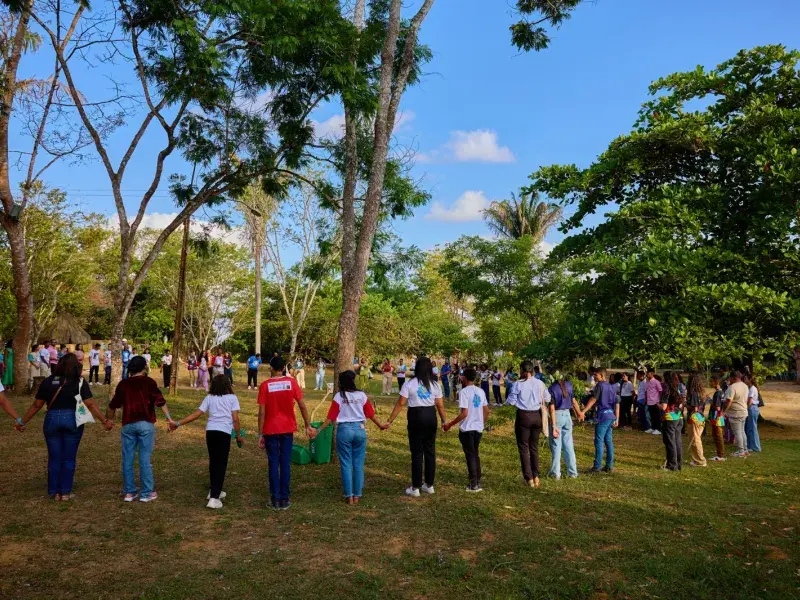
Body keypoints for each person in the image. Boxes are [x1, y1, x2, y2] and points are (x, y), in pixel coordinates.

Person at [18, 353, 113, 500]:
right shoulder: (79, 382)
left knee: (54, 457)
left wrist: (22, 422)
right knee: (69, 458)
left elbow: (37, 405)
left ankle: (54, 492)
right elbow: (91, 404)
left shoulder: (49, 381)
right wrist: (104, 421)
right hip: (72, 419)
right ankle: (65, 492)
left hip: (52, 420)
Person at [312, 370, 389, 504]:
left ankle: (349, 496)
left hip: (344, 431)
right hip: (360, 430)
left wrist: (318, 430)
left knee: (346, 464)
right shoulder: (361, 395)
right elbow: (370, 414)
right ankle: (357, 495)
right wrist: (381, 425)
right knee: (358, 464)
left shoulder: (338, 397)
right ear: (353, 381)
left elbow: (331, 418)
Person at [106, 356, 174, 502]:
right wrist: (169, 419)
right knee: (144, 459)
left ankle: (129, 492)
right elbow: (160, 402)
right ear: (144, 368)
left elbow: (113, 405)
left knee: (128, 459)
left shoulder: (123, 384)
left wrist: (109, 420)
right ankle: (147, 492)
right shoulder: (149, 382)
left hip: (128, 425)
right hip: (145, 424)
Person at [170, 374, 244, 509]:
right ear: (228, 385)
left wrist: (178, 423)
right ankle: (214, 498)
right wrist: (238, 435)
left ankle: (214, 490)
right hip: (223, 433)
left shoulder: (210, 398)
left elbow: (196, 414)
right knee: (221, 463)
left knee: (214, 461)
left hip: (211, 432)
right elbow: (236, 419)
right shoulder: (232, 398)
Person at [387, 356, 447, 497]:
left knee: (417, 452)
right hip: (431, 417)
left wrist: (390, 420)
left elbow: (401, 403)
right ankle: (429, 485)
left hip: (416, 417)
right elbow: (440, 406)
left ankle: (415, 487)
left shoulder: (410, 384)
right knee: (430, 451)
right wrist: (444, 422)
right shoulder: (435, 385)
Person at [257, 357, 312, 509]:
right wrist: (308, 424)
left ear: (271, 368)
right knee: (285, 463)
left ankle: (275, 499)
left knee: (274, 463)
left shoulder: (265, 385)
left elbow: (261, 412)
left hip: (270, 429)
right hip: (287, 428)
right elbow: (301, 405)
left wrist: (260, 434)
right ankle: (285, 499)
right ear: (283, 368)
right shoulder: (292, 382)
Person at [441, 367, 489, 492]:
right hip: (478, 429)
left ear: (464, 378)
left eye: (462, 376)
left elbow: (464, 413)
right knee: (475, 454)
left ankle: (474, 484)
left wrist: (450, 424)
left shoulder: (464, 392)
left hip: (467, 429)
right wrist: (480, 423)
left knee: (470, 455)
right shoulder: (480, 391)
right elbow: (487, 411)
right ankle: (477, 480)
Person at [507, 360, 551, 487]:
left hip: (524, 416)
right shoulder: (540, 383)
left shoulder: (518, 384)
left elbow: (511, 401)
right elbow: (547, 398)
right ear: (532, 370)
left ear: (521, 370)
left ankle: (529, 478)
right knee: (534, 447)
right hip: (537, 416)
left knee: (523, 448)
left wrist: (518, 403)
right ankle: (536, 476)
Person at [580, 368, 619, 474]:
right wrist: (616, 418)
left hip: (603, 417)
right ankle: (609, 466)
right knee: (608, 442)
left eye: (596, 375)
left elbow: (593, 399)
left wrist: (583, 411)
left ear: (602, 375)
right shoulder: (611, 387)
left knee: (599, 442)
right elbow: (616, 403)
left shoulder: (599, 386)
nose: (594, 377)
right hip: (611, 416)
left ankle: (597, 467)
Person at [547, 372, 581, 479]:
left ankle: (555, 473)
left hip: (557, 415)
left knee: (556, 446)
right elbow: (574, 401)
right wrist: (579, 413)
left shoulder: (551, 388)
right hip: (567, 415)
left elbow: (551, 408)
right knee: (569, 445)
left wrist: (553, 425)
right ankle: (573, 472)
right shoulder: (569, 385)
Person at [658, 373, 684, 470]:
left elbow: (664, 407)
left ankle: (672, 465)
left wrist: (657, 404)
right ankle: (678, 464)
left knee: (670, 442)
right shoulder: (677, 389)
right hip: (678, 417)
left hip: (670, 418)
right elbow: (681, 405)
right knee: (677, 441)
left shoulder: (667, 390)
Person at [723, 371, 750, 457]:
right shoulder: (745, 386)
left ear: (732, 378)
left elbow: (728, 401)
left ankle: (741, 451)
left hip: (735, 413)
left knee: (737, 432)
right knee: (742, 431)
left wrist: (724, 411)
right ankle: (745, 450)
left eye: (730, 378)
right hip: (744, 411)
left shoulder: (732, 387)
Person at [686, 373, 707, 467]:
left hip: (695, 418)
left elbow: (695, 408)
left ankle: (701, 461)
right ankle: (696, 460)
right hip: (701, 417)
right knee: (696, 439)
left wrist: (685, 404)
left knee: (695, 440)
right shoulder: (701, 393)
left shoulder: (694, 393)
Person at [707, 376, 727, 461]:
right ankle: (719, 454)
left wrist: (709, 400)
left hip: (717, 417)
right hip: (719, 416)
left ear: (716, 382)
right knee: (716, 435)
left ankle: (720, 455)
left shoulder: (718, 393)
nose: (710, 383)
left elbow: (717, 407)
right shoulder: (721, 392)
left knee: (718, 436)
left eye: (711, 381)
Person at [744, 374, 762, 453]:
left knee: (753, 428)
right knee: (749, 428)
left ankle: (756, 447)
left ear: (750, 379)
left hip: (752, 408)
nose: (744, 380)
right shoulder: (749, 388)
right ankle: (750, 446)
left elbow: (750, 401)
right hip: (751, 409)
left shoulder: (752, 389)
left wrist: (745, 408)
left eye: (745, 378)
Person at [645, 368, 662, 435]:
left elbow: (660, 391)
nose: (647, 374)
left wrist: (659, 400)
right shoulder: (647, 382)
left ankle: (658, 429)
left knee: (656, 416)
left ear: (652, 374)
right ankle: (653, 428)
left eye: (648, 373)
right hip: (649, 402)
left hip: (655, 402)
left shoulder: (656, 382)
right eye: (647, 373)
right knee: (651, 416)